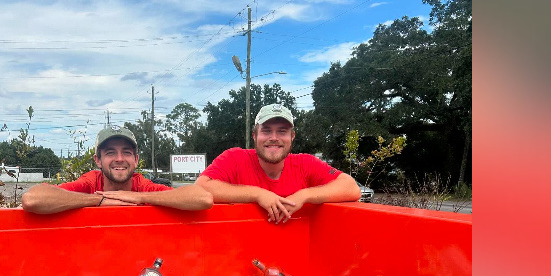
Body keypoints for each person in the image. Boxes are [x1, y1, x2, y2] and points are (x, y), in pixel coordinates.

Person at [195, 104, 361, 223]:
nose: (274, 137)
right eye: (266, 130)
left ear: (292, 136)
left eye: (282, 131)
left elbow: (351, 188)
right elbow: (201, 188)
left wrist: (303, 195)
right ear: (254, 135)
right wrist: (258, 194)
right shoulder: (234, 158)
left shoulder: (306, 163)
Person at [21, 125, 213, 214]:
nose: (119, 159)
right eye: (111, 152)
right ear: (98, 160)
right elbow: (33, 199)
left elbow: (202, 198)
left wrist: (139, 197)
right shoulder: (90, 183)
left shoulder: (142, 186)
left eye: (126, 152)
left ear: (136, 160)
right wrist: (99, 200)